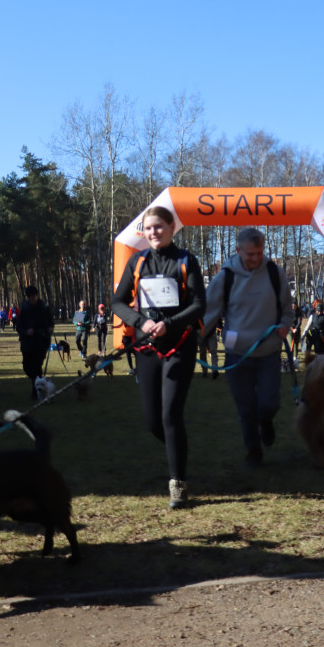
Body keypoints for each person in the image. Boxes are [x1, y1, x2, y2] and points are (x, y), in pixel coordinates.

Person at [111, 206, 206, 509]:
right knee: (153, 421)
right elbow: (117, 301)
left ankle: (177, 483)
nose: (153, 232)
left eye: (159, 227)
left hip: (179, 345)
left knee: (170, 415)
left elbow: (199, 304)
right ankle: (179, 452)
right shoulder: (137, 262)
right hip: (145, 348)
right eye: (148, 228)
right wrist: (141, 322)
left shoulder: (186, 261)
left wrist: (170, 323)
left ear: (171, 228)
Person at [203, 228, 294, 468]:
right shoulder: (225, 277)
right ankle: (253, 450)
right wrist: (190, 340)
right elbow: (208, 314)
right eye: (249, 254)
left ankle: (266, 421)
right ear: (238, 251)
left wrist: (285, 324)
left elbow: (287, 309)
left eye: (259, 253)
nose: (255, 258)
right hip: (237, 354)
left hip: (268, 352)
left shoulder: (275, 273)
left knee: (269, 402)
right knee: (245, 407)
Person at [17, 285, 54, 399]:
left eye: (34, 296)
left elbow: (51, 322)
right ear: (27, 297)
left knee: (37, 366)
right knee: (27, 367)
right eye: (30, 297)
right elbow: (19, 327)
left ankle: (37, 392)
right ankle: (39, 383)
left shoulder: (44, 307)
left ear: (37, 295)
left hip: (41, 341)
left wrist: (50, 328)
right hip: (27, 342)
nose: (32, 298)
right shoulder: (24, 309)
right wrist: (26, 332)